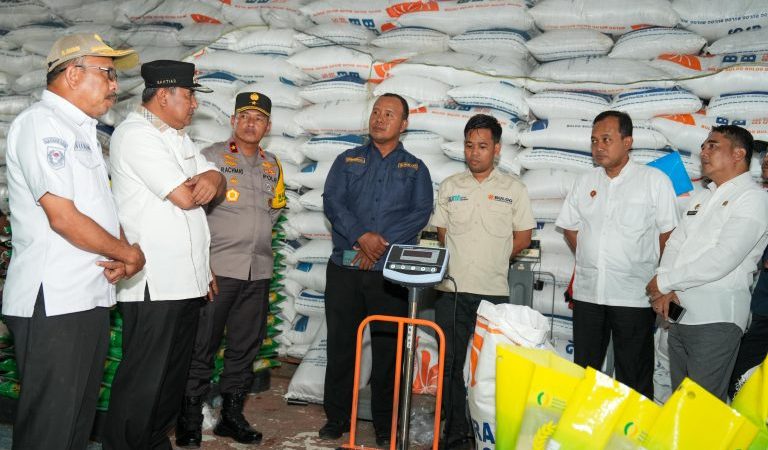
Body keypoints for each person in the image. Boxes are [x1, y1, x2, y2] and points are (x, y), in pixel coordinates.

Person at [2, 33, 145, 450]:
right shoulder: (41, 124)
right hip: (54, 300)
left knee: (75, 425)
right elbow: (63, 217)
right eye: (109, 74)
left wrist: (121, 251)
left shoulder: (82, 131)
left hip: (87, 296)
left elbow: (98, 207)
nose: (115, 86)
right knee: (51, 428)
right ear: (74, 74)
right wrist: (128, 253)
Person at [103, 60, 226, 450]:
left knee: (171, 377)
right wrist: (202, 182)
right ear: (163, 95)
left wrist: (213, 177)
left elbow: (214, 182)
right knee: (144, 377)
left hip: (186, 281)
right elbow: (187, 198)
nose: (193, 105)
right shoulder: (136, 135)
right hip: (155, 282)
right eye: (189, 96)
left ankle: (153, 440)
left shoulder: (177, 137)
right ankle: (125, 444)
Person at [320, 93, 433, 446]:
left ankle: (385, 423)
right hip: (345, 269)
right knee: (342, 346)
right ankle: (336, 418)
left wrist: (377, 244)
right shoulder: (346, 160)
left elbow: (420, 212)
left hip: (389, 276)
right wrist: (361, 236)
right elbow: (332, 202)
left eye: (389, 114)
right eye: (375, 112)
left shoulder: (415, 168)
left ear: (403, 124)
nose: (379, 119)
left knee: (388, 351)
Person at [175, 92, 286, 448]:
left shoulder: (273, 165)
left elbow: (274, 212)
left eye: (258, 118)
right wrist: (201, 265)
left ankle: (232, 417)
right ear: (233, 121)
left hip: (258, 271)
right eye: (244, 116)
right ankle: (190, 418)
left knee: (244, 347)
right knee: (201, 345)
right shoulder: (209, 158)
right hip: (218, 270)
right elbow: (191, 214)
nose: (251, 123)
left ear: (267, 126)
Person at [555, 110, 678, 399]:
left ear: (628, 141)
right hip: (588, 296)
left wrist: (663, 281)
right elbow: (571, 227)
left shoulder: (653, 180)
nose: (599, 146)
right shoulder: (585, 182)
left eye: (607, 139)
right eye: (594, 140)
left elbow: (669, 234)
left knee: (633, 375)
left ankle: (632, 441)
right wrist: (591, 256)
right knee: (586, 373)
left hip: (634, 296)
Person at [431, 114, 534, 449]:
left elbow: (522, 236)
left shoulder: (513, 189)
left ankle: (484, 435)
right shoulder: (450, 187)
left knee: (485, 370)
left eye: (482, 146)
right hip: (452, 293)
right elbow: (443, 235)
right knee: (451, 365)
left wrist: (492, 258)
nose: (474, 152)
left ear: (497, 149)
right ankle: (455, 434)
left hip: (493, 296)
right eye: (469, 145)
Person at [647, 125, 768, 402]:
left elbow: (723, 257)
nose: (703, 151)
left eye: (712, 145)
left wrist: (665, 281)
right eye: (703, 145)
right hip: (678, 314)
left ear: (739, 154)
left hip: (716, 319)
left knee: (702, 407)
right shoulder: (702, 197)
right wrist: (664, 286)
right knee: (681, 402)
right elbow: (676, 243)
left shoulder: (753, 199)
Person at [729, 151, 768, 398]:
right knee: (742, 375)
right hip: (761, 304)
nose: (766, 161)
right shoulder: (757, 199)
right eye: (766, 156)